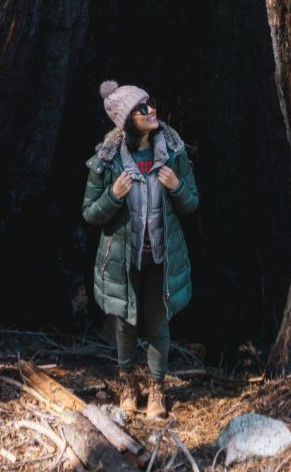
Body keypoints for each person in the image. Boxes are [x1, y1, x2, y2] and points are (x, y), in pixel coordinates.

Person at [82, 79, 199, 420]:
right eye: (142, 108)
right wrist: (113, 195)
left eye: (150, 104)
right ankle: (128, 384)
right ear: (126, 120)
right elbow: (90, 213)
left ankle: (158, 389)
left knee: (159, 322)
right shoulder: (106, 161)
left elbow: (192, 203)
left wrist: (176, 188)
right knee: (125, 324)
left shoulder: (172, 154)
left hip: (161, 258)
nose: (151, 111)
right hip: (122, 259)